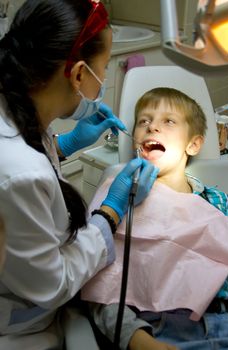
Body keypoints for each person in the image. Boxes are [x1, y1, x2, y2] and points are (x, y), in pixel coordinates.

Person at [0, 1, 159, 349]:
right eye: (103, 70)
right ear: (78, 74)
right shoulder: (19, 174)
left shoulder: (12, 109)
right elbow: (54, 283)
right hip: (19, 329)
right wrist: (112, 211)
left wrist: (65, 145)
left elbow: (26, 152)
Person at [81, 87, 228, 350]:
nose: (152, 127)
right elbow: (100, 288)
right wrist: (137, 339)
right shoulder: (116, 202)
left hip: (224, 320)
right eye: (144, 121)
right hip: (155, 329)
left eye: (169, 121)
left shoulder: (218, 202)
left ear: (194, 144)